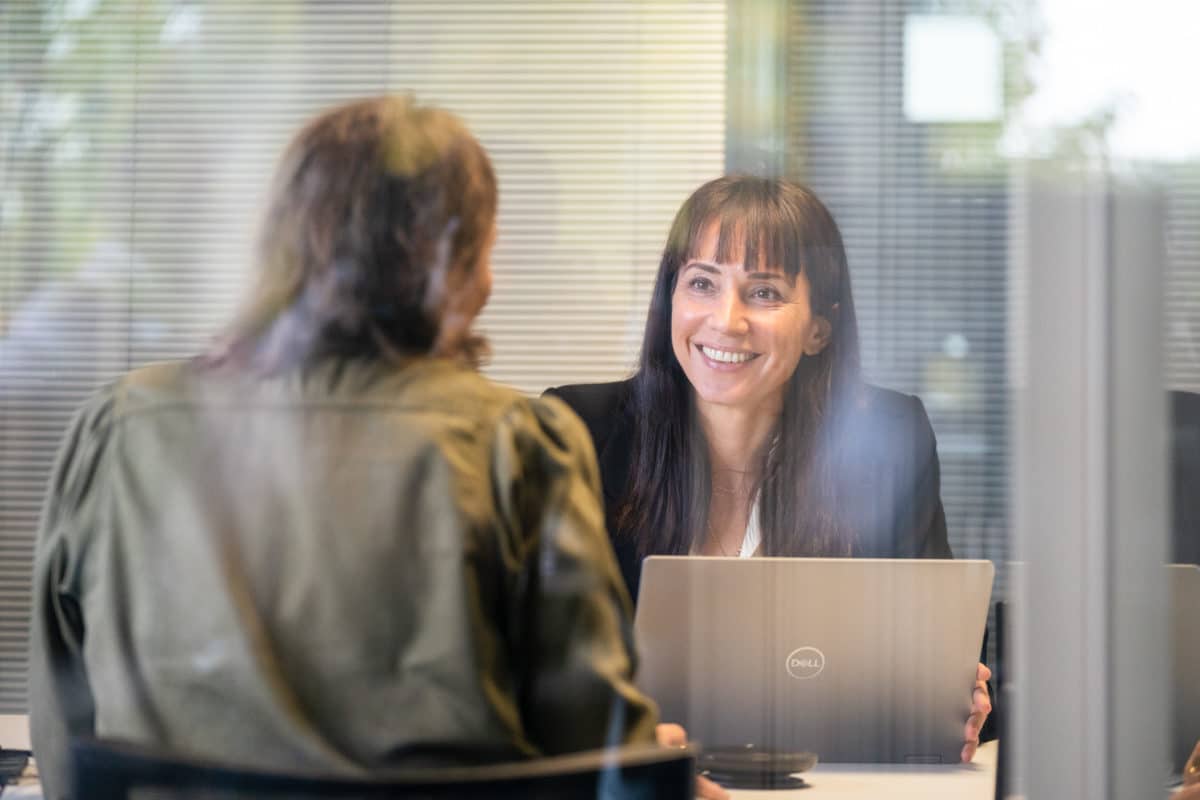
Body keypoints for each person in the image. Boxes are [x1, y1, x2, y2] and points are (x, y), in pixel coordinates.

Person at [30, 96, 701, 799]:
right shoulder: (517, 446)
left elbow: (66, 749)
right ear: (461, 262)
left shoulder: (121, 430)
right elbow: (599, 765)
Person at [547, 175, 992, 762]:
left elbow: (943, 662)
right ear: (670, 300)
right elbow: (530, 664)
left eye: (764, 293)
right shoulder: (577, 430)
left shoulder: (888, 438)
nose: (725, 321)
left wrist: (965, 701)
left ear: (819, 328)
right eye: (701, 283)